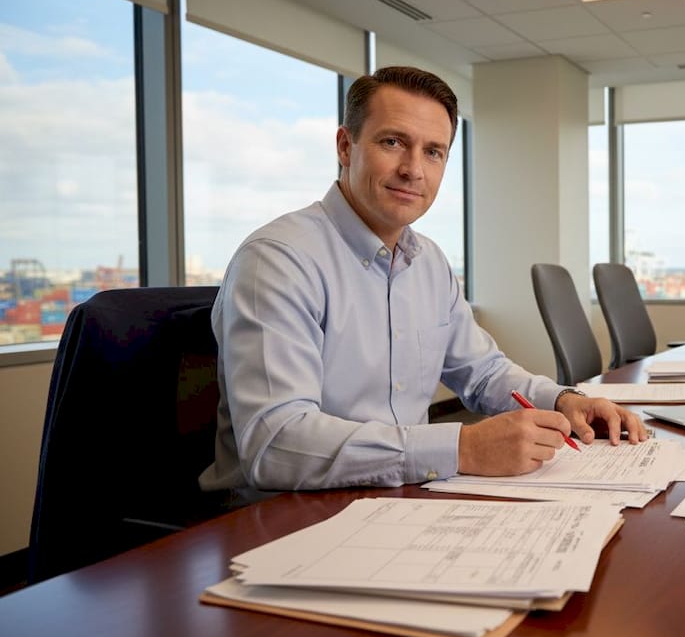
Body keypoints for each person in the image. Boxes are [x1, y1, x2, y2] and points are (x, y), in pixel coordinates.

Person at [199, 65, 647, 492]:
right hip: (276, 516)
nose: (414, 169)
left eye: (433, 152)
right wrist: (462, 447)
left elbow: (484, 374)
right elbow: (276, 443)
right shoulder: (279, 260)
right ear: (344, 146)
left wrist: (563, 401)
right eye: (393, 142)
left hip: (398, 498)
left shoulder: (429, 263)